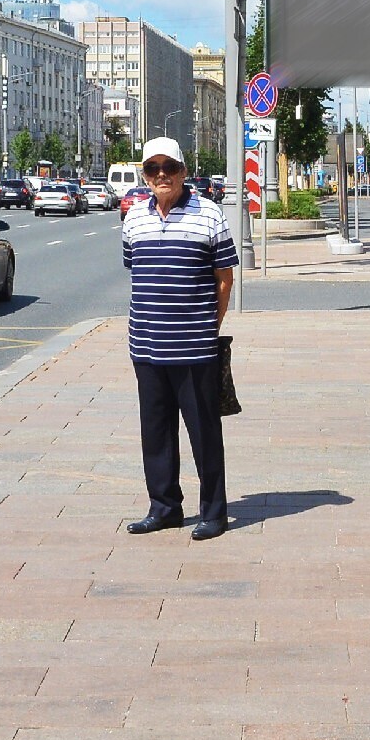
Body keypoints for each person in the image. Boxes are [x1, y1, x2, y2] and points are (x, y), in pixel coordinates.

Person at [121, 136, 237, 540]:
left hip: (194, 346)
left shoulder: (209, 215)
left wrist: (209, 326)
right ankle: (165, 506)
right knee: (155, 432)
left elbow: (225, 279)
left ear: (184, 171)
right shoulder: (134, 217)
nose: (161, 176)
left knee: (204, 432)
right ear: (145, 175)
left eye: (168, 167)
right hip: (147, 346)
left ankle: (214, 512)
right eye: (152, 169)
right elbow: (136, 270)